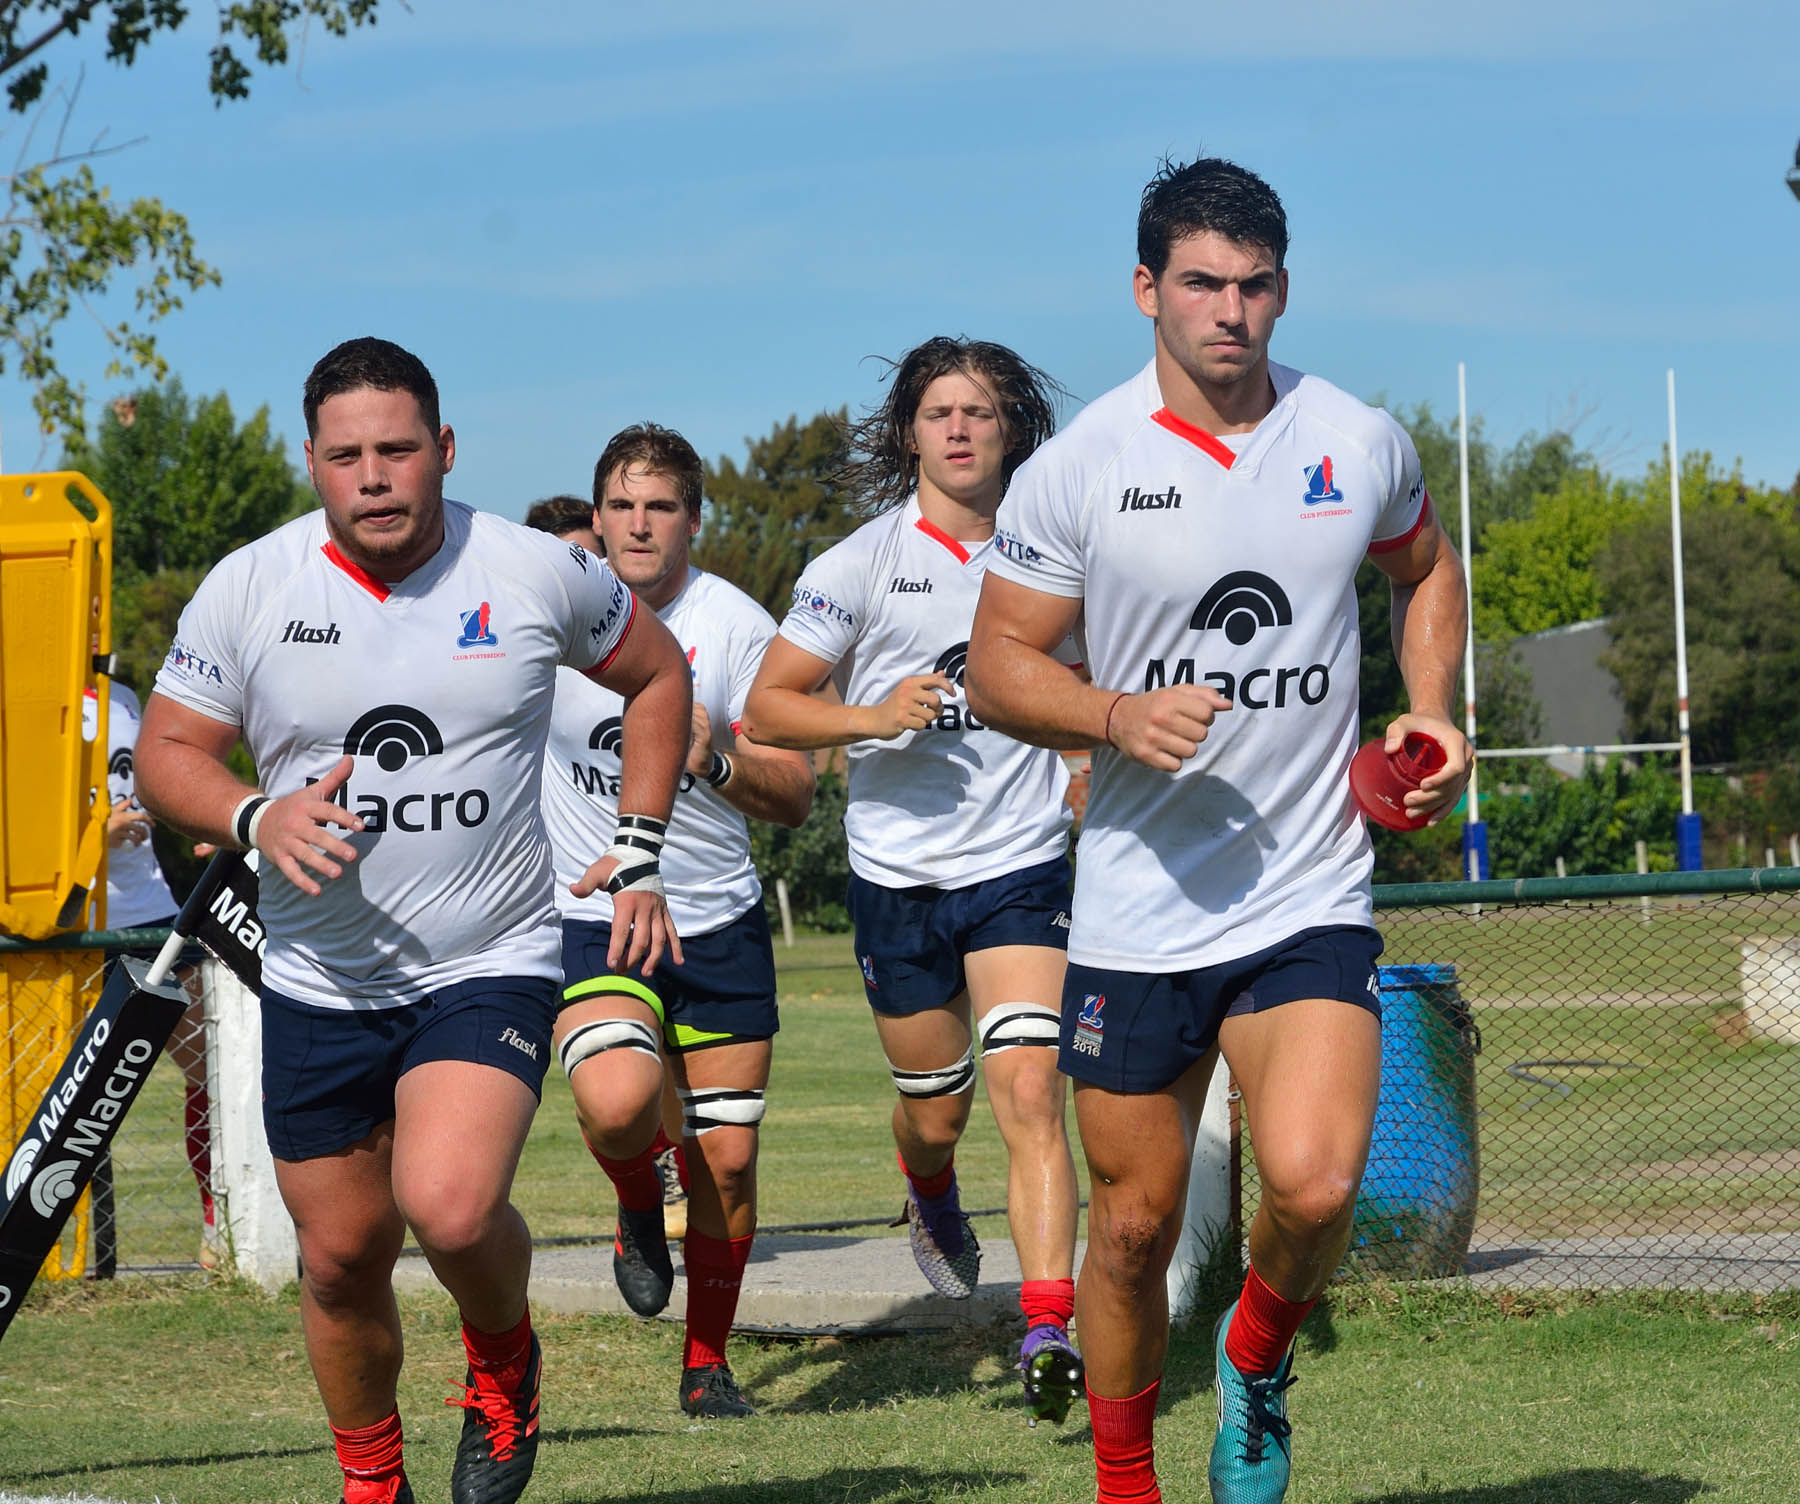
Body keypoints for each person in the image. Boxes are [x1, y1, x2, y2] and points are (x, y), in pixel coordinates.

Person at [964, 157, 1472, 1504]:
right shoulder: (1079, 471)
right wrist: (1112, 715)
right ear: (1147, 290)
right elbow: (999, 665)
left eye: (1255, 287)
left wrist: (1428, 711)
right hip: (1136, 911)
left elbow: (1427, 571)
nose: (1230, 313)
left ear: (1284, 292)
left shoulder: (1355, 439)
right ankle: (1125, 1482)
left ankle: (1253, 1369)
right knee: (1130, 1233)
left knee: (1310, 1188)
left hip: (1309, 891)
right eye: (1202, 283)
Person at [135, 338, 691, 1504]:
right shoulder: (251, 586)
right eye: (347, 456)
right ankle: (371, 1483)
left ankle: (504, 1364)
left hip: (486, 961)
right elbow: (165, 754)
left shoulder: (536, 569)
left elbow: (660, 674)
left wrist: (638, 850)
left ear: (443, 450)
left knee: (447, 1201)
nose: (374, 475)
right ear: (313, 464)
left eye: (397, 449)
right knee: (339, 1261)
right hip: (322, 978)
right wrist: (252, 814)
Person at [741, 336, 1087, 1426]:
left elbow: (1092, 680)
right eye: (940, 411)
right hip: (899, 879)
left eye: (980, 411)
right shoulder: (858, 565)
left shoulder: (1061, 554)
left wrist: (1084, 756)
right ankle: (930, 1191)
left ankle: (1046, 1327)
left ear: (1010, 430)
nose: (960, 428)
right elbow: (768, 707)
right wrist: (875, 715)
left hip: (1022, 865)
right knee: (935, 1116)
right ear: (909, 433)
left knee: (1032, 1087)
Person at [523, 432, 814, 1421]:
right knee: (616, 1103)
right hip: (591, 914)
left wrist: (716, 759)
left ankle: (706, 1364)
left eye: (660, 506)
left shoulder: (736, 627)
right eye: (621, 504)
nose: (638, 523)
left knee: (727, 1160)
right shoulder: (551, 614)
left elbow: (799, 795)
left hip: (718, 921)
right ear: (596, 517)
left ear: (694, 518)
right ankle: (639, 1201)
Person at [89, 678, 217, 1267]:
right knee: (65, 1093)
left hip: (153, 916)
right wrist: (93, 836)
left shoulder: (124, 698)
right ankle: (52, 1250)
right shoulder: (28, 697)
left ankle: (220, 1226)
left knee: (210, 1073)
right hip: (70, 926)